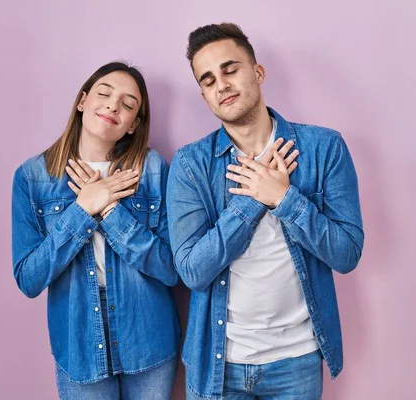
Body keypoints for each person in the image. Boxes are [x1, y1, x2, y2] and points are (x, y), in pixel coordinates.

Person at [167, 23, 364, 399]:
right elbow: (192, 270)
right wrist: (254, 199)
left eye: (230, 69)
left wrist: (286, 199)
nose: (221, 84)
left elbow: (347, 253)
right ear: (204, 95)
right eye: (207, 81)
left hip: (297, 360)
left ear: (257, 72)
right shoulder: (191, 164)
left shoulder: (324, 148)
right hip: (218, 362)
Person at [11, 61, 180, 399]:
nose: (113, 105)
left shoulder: (152, 170)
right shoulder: (33, 177)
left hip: (147, 339)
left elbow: (171, 269)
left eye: (128, 104)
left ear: (133, 125)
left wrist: (110, 210)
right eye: (104, 94)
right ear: (82, 101)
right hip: (78, 344)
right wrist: (82, 210)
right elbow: (29, 279)